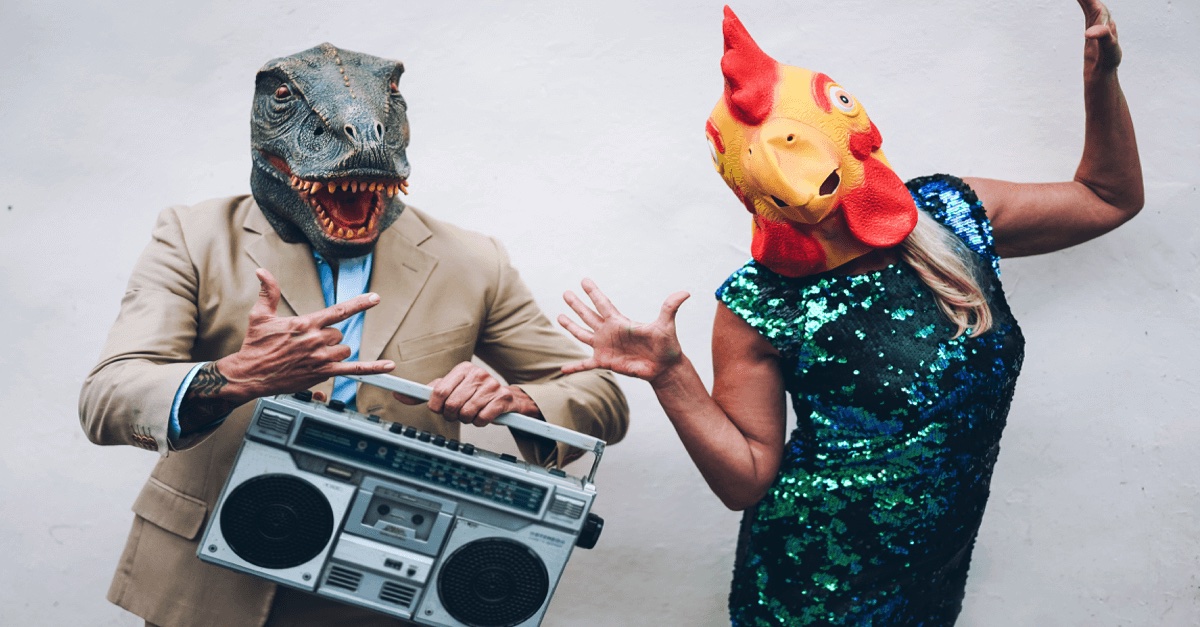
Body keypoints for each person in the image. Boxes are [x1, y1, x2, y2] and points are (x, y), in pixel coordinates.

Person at [558, 2, 1140, 624]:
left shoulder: (952, 216)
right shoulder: (760, 301)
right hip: (811, 589)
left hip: (930, 578)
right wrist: (671, 375)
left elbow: (1107, 198)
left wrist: (1099, 80)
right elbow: (747, 478)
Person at [78, 43, 628, 627]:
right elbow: (108, 396)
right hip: (215, 575)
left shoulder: (472, 259)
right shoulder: (192, 235)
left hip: (396, 582)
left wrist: (521, 403)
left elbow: (600, 394)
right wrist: (236, 376)